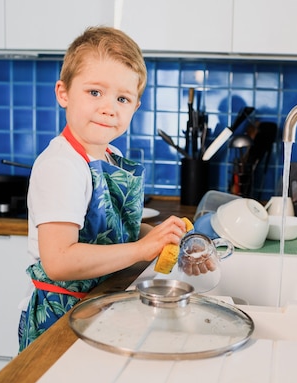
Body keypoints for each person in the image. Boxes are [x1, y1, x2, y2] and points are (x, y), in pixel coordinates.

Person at [18, 26, 188, 351]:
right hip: (61, 315)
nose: (109, 108)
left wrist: (165, 238)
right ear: (63, 93)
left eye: (122, 98)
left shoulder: (111, 155)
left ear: (135, 106)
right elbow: (59, 261)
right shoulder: (61, 165)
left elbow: (113, 230)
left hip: (100, 304)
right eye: (95, 92)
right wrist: (142, 250)